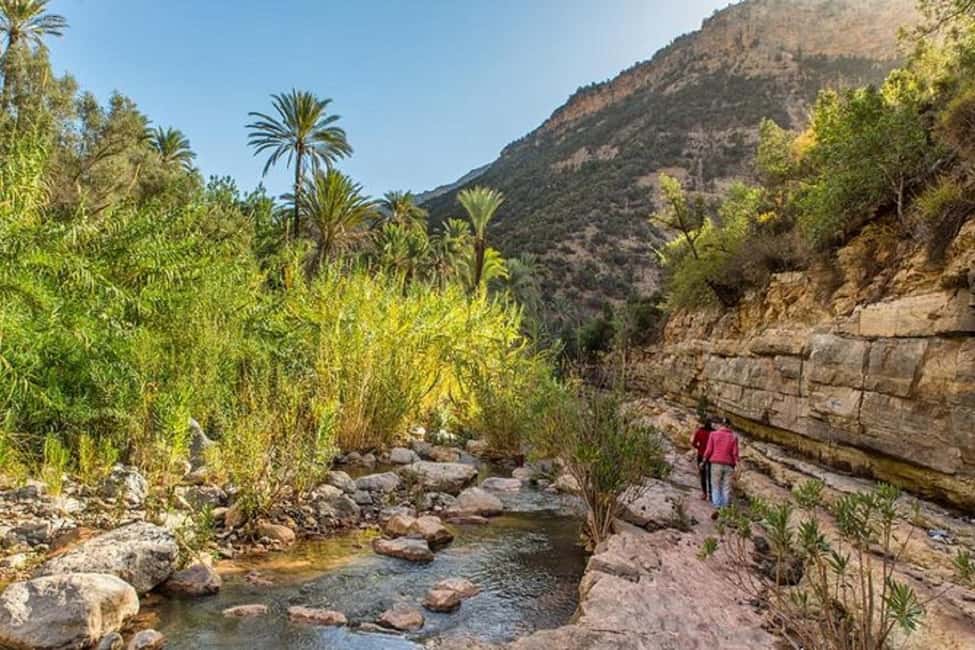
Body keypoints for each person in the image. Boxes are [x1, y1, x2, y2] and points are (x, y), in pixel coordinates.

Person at [704, 417, 739, 509]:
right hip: (729, 465)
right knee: (726, 486)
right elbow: (735, 453)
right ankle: (725, 506)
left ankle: (717, 505)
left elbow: (709, 450)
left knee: (715, 484)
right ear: (729, 425)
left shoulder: (713, 434)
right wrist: (737, 465)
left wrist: (704, 460)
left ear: (721, 425)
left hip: (716, 463)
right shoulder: (734, 437)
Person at [691, 418, 713, 500]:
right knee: (710, 475)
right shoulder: (714, 433)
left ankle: (704, 494)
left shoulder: (699, 431)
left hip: (701, 455)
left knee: (702, 475)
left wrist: (699, 447)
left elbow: (693, 443)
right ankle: (711, 494)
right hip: (711, 456)